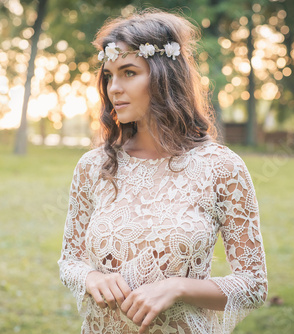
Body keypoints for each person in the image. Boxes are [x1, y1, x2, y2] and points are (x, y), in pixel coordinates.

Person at [58, 9, 267, 334]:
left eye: (128, 72)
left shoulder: (222, 168)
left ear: (164, 76)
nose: (114, 88)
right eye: (109, 75)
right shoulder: (93, 166)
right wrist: (91, 278)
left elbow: (253, 285)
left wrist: (177, 288)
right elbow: (70, 262)